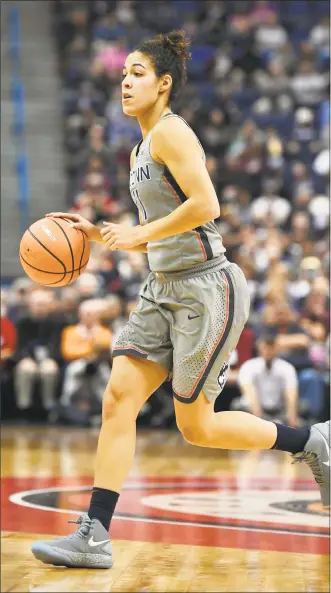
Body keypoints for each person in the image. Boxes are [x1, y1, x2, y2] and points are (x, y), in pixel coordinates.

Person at [32, 30, 330, 570]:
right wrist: (101, 235)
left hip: (205, 286)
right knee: (118, 398)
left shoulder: (172, 134)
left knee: (199, 427)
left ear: (164, 84)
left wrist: (138, 236)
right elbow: (156, 222)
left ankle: (311, 439)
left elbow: (206, 204)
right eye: (123, 72)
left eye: (138, 73)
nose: (125, 80)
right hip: (160, 288)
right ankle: (95, 533)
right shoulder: (138, 148)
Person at [235, 334, 299, 426]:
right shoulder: (248, 366)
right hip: (253, 411)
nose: (268, 351)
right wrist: (258, 421)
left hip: (279, 412)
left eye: (271, 347)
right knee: (237, 406)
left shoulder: (287, 368)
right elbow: (249, 393)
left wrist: (292, 422)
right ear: (259, 348)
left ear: (277, 348)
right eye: (265, 347)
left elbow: (291, 395)